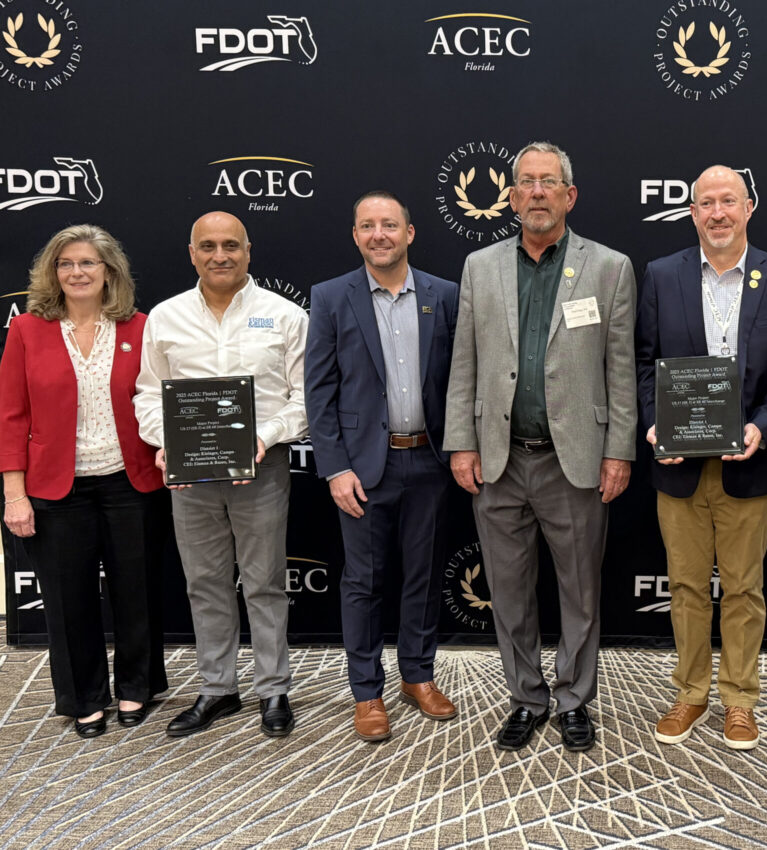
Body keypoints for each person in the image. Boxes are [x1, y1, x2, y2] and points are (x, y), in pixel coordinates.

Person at [443, 141, 636, 752]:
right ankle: (526, 697)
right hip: (499, 459)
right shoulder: (480, 267)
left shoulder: (609, 268)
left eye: (547, 182)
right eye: (524, 182)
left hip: (573, 460)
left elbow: (621, 369)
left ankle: (575, 700)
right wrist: (461, 443)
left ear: (569, 195)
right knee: (509, 591)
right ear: (511, 196)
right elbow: (465, 362)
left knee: (580, 591)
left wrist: (619, 450)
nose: (535, 193)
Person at [635, 165, 767, 750]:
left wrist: (764, 427)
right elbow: (642, 361)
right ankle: (689, 694)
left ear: (748, 208)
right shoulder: (661, 276)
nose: (717, 212)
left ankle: (739, 699)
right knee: (684, 586)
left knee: (743, 588)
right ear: (691, 213)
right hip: (678, 466)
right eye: (705, 202)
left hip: (750, 464)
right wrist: (656, 422)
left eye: (727, 201)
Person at [135, 211, 308, 738]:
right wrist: (166, 443)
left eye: (230, 245)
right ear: (192, 253)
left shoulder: (285, 316)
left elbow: (305, 400)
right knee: (205, 582)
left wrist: (263, 436)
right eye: (207, 246)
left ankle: (273, 689)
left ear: (248, 250)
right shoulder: (164, 318)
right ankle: (217, 689)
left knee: (264, 583)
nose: (219, 255)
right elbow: (148, 393)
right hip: (190, 477)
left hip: (263, 467)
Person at [0, 225, 168, 738]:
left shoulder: (141, 328)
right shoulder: (28, 331)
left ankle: (137, 687)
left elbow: (165, 401)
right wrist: (14, 494)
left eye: (88, 263)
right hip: (56, 490)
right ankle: (84, 698)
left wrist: (173, 449)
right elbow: (11, 416)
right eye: (66, 263)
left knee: (136, 593)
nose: (77, 272)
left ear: (109, 271)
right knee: (68, 600)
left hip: (131, 482)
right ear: (53, 273)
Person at [305, 191, 460, 742]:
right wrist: (334, 468)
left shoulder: (445, 295)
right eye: (367, 225)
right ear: (355, 235)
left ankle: (417, 677)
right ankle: (366, 692)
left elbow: (460, 383)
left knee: (422, 577)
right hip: (363, 469)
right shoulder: (329, 298)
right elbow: (319, 392)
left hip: (430, 461)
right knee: (364, 582)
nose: (379, 235)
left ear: (410, 233)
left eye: (389, 225)